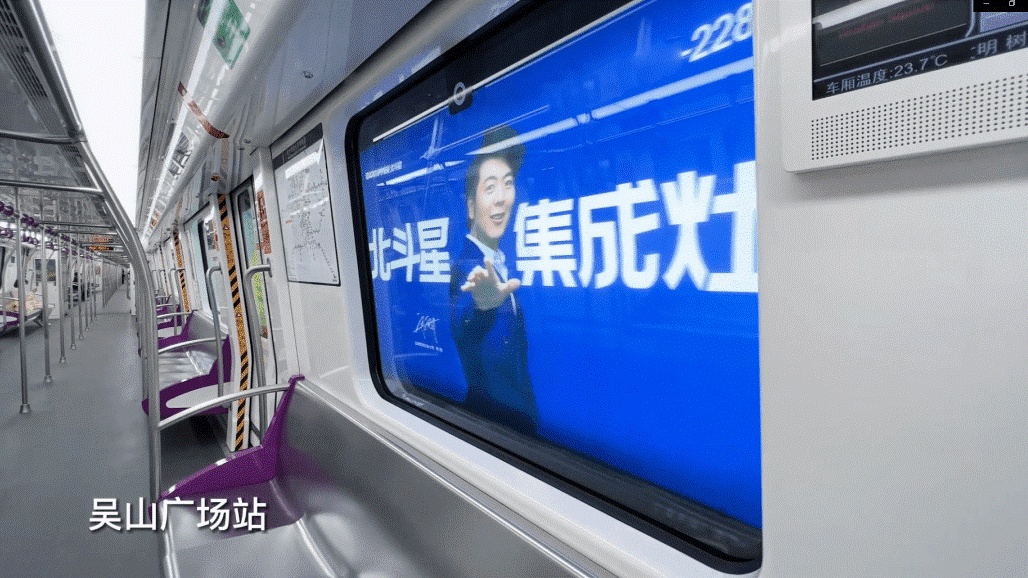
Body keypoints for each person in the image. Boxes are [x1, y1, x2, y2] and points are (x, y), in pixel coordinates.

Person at [449, 125, 538, 435]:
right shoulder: (467, 266)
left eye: (508, 184)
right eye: (490, 188)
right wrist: (483, 307)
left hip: (510, 425)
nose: (502, 198)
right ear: (471, 206)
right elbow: (463, 319)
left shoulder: (498, 260)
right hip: (494, 427)